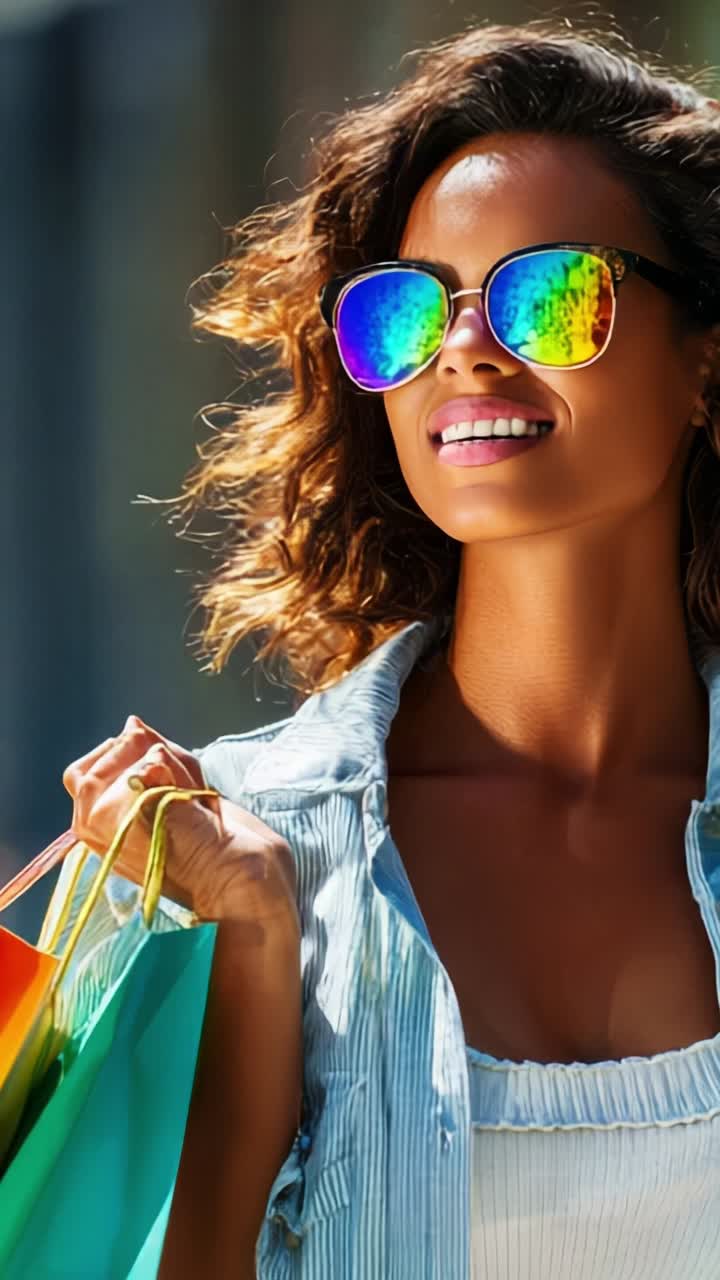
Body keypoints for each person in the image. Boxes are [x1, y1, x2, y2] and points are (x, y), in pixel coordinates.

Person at [60, 17, 720, 1279]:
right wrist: (253, 944)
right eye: (411, 308)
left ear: (705, 361)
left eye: (554, 291)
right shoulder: (206, 848)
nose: (467, 345)